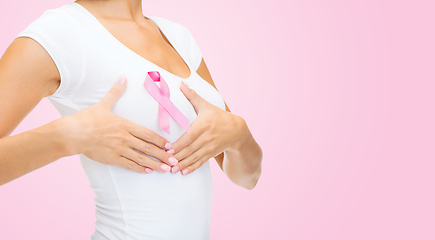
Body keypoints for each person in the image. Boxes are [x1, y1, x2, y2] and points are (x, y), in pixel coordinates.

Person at [0, 0, 263, 239]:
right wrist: (68, 136)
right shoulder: (57, 34)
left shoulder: (178, 37)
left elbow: (246, 178)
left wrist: (240, 134)